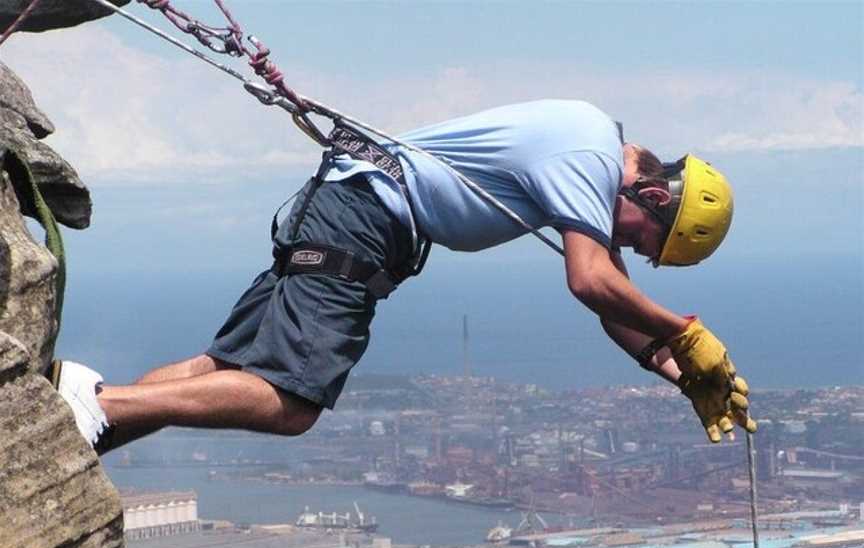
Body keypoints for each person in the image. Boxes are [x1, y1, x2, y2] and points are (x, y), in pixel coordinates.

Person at [54, 99, 756, 455]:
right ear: (655, 199)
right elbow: (590, 283)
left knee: (225, 365)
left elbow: (611, 300)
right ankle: (100, 402)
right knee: (291, 403)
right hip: (365, 218)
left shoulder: (592, 156)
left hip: (350, 206)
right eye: (645, 242)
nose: (628, 247)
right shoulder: (589, 157)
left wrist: (681, 370)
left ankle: (80, 428)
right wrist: (689, 333)